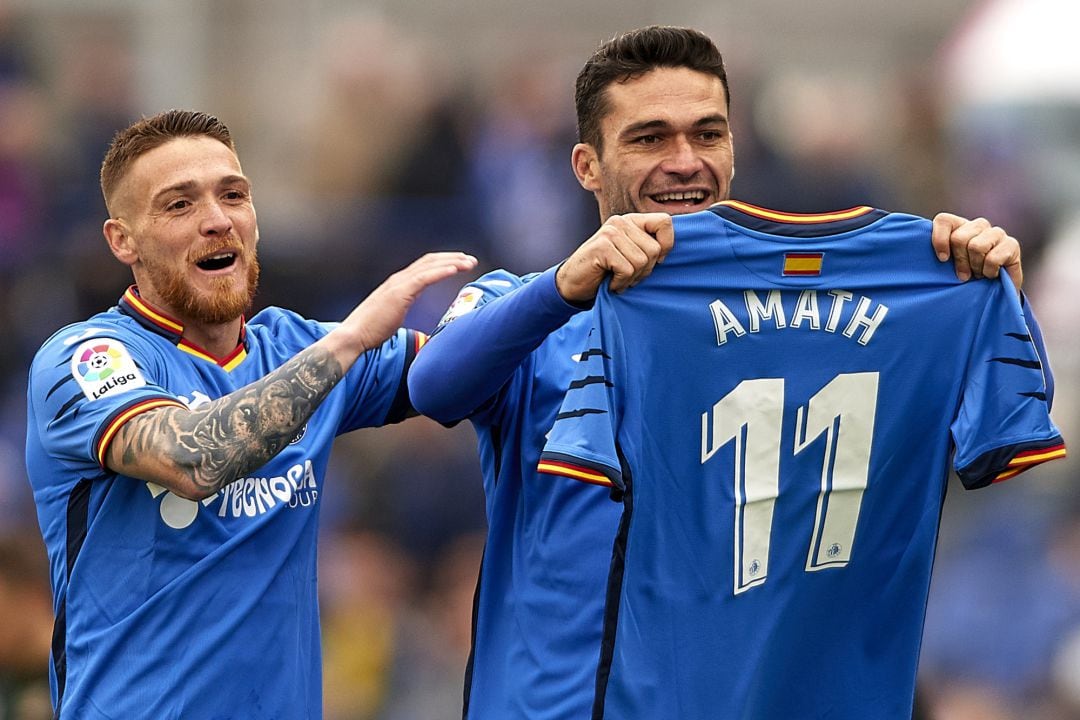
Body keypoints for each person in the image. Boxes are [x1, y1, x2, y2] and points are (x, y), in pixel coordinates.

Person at [407, 25, 1042, 720]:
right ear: (587, 166)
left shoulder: (819, 323)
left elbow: (984, 430)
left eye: (707, 135)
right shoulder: (526, 304)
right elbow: (434, 385)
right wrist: (564, 286)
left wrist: (980, 294)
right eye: (649, 138)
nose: (685, 161)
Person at [23, 109, 476, 719]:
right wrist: (348, 342)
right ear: (121, 239)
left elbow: (468, 366)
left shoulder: (292, 346)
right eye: (178, 205)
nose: (217, 220)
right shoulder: (87, 357)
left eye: (233, 195)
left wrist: (559, 289)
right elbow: (192, 457)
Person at [537, 199, 1065, 718]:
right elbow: (1013, 430)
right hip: (847, 691)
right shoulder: (945, 279)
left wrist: (1001, 299)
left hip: (680, 689)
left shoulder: (640, 288)